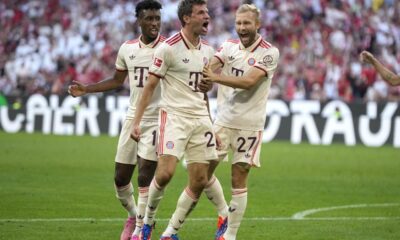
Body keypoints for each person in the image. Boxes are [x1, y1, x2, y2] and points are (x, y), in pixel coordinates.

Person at [67, 1, 164, 240]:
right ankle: (133, 215)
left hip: (157, 118)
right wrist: (87, 89)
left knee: (144, 176)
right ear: (139, 20)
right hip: (132, 117)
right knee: (120, 179)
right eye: (149, 18)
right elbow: (117, 80)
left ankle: (143, 230)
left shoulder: (169, 48)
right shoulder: (127, 48)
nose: (154, 23)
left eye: (157, 18)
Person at [131, 1, 226, 239]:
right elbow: (150, 86)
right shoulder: (168, 48)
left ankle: (170, 231)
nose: (208, 16)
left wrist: (211, 124)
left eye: (207, 12)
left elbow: (203, 91)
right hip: (174, 117)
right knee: (164, 174)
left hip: (200, 119)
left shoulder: (208, 51)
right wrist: (137, 121)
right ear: (186, 18)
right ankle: (147, 222)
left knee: (200, 179)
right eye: (202, 13)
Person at [202, 4, 280, 240]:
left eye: (247, 23)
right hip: (223, 121)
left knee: (239, 179)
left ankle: (229, 235)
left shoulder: (269, 52)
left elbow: (248, 82)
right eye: (238, 23)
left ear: (258, 24)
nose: (242, 28)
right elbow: (209, 67)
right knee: (200, 175)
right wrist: (205, 72)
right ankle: (224, 212)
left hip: (250, 125)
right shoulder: (227, 46)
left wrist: (214, 78)